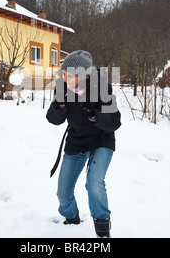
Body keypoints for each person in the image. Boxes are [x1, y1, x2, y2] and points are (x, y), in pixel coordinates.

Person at [46, 50, 121, 238]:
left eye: (69, 75)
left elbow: (115, 122)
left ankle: (103, 230)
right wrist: (60, 105)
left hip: (101, 140)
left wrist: (95, 115)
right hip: (76, 141)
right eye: (63, 73)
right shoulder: (63, 88)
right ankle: (72, 221)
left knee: (94, 184)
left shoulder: (103, 88)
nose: (64, 78)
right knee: (63, 193)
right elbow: (54, 120)